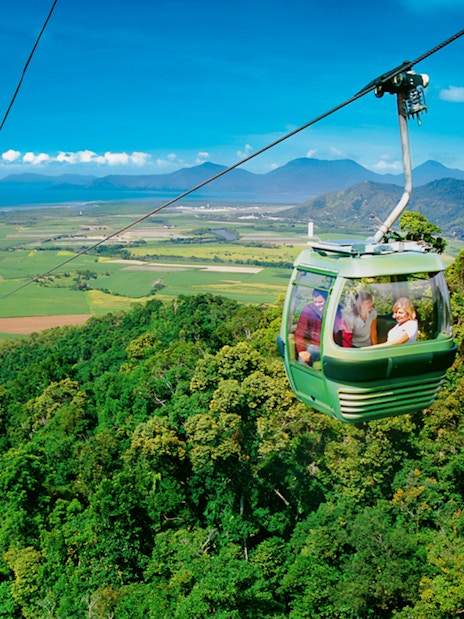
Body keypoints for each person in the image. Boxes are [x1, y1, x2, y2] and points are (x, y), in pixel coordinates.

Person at [294, 289, 327, 365]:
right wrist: (301, 350)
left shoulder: (334, 309)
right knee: (306, 356)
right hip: (316, 345)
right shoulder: (309, 310)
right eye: (315, 302)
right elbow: (300, 331)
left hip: (331, 345)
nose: (318, 305)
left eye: (321, 302)